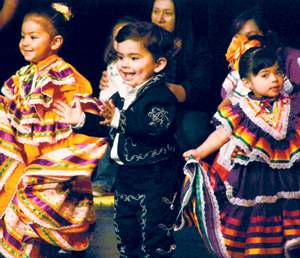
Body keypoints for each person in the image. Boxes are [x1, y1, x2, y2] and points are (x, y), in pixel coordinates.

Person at [54, 21, 182, 258]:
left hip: (156, 178)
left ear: (158, 64)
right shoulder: (122, 94)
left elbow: (153, 128)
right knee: (126, 233)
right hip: (127, 177)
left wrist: (117, 118)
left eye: (134, 58)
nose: (124, 65)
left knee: (155, 236)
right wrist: (81, 120)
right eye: (121, 57)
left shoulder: (160, 95)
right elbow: (108, 126)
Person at [0, 3, 107, 258]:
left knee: (44, 221)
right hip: (26, 158)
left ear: (56, 41)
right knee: (26, 225)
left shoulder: (64, 76)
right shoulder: (21, 77)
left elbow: (78, 115)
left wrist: (62, 162)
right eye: (23, 37)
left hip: (51, 164)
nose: (25, 42)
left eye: (34, 37)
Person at [180, 46, 300, 257]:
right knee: (257, 221)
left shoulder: (291, 105)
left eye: (278, 73)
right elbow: (221, 134)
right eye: (265, 75)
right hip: (254, 181)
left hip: (288, 180)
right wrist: (199, 151)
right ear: (247, 83)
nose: (274, 79)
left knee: (286, 220)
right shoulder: (241, 110)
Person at [100, 0, 215, 154]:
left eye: (167, 13)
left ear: (179, 16)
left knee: (189, 129)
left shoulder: (196, 46)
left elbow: (200, 87)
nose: (159, 18)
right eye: (156, 11)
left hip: (183, 108)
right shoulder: (145, 42)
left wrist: (163, 89)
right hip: (144, 103)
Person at [93, 15, 139, 197]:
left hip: (132, 114)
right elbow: (108, 90)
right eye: (117, 37)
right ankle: (102, 181)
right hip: (113, 113)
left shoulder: (140, 65)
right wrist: (102, 108)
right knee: (106, 142)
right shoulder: (112, 67)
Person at [218, 7, 300, 110]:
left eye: (251, 37)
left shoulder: (294, 58)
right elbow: (227, 97)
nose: (244, 44)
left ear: (267, 35)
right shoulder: (242, 65)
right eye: (239, 39)